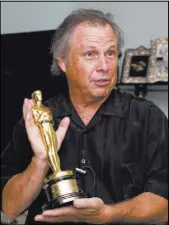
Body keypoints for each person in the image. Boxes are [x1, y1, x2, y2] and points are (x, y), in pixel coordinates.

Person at [1, 9, 168, 225]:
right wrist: (40, 160)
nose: (105, 67)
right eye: (90, 54)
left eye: (110, 53)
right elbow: (10, 207)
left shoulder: (148, 118)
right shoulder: (38, 120)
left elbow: (164, 204)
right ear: (63, 62)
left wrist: (108, 214)